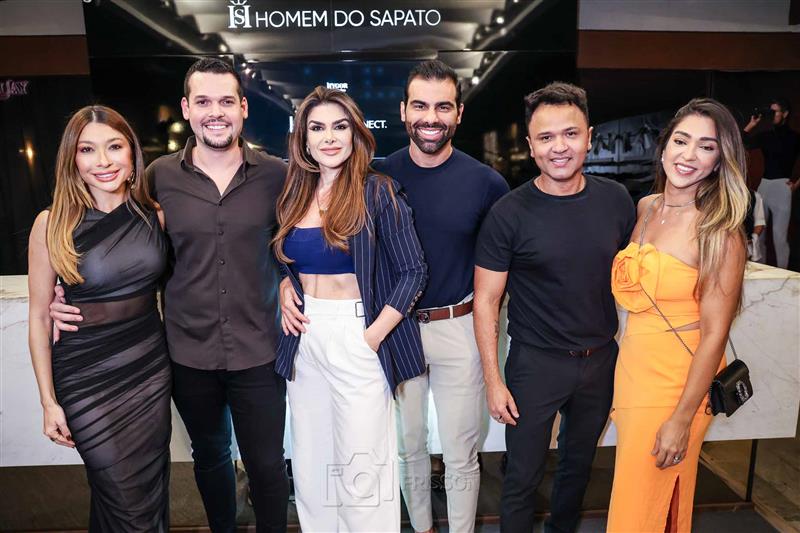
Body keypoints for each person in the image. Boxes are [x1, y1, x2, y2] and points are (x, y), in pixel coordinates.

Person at [50, 59, 290, 533]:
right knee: (210, 456)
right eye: (203, 101)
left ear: (243, 108)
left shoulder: (277, 175)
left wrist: (287, 280)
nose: (215, 111)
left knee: (266, 464)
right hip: (186, 353)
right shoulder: (157, 177)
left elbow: (297, 243)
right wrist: (71, 291)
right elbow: (110, 233)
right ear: (186, 108)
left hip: (260, 348)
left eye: (226, 101)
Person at [473, 82, 636, 533]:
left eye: (570, 134)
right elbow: (486, 301)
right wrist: (493, 381)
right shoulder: (508, 213)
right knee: (521, 478)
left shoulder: (616, 200)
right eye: (546, 137)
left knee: (577, 471)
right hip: (535, 364)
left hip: (600, 361)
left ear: (589, 137)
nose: (559, 147)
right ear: (530, 145)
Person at [272, 86, 427, 532]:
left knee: (363, 470)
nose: (329, 137)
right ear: (303, 139)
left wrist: (373, 335)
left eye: (339, 127)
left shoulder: (377, 191)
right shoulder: (294, 193)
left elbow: (414, 271)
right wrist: (284, 283)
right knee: (311, 466)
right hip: (304, 338)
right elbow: (284, 258)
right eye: (317, 128)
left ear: (355, 133)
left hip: (358, 333)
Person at [607, 98, 748, 532]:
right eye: (681, 141)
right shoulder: (646, 208)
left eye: (706, 147)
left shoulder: (719, 231)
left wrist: (682, 419)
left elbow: (715, 334)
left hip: (676, 385)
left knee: (637, 511)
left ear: (719, 160)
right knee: (650, 502)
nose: (689, 155)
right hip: (633, 372)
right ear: (664, 145)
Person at [28, 105, 171, 531]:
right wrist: (48, 402)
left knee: (146, 493)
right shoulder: (51, 224)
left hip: (149, 370)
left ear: (132, 154)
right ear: (72, 159)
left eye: (114, 147)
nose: (103, 161)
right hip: (85, 377)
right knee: (124, 499)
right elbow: (39, 317)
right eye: (87, 150)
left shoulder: (155, 215)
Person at [743, 97, 800, 268]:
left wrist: (796, 185)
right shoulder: (766, 136)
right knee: (758, 235)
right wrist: (752, 124)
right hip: (764, 185)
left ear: (785, 114)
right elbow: (741, 141)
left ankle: (783, 275)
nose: (772, 115)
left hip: (782, 186)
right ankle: (762, 273)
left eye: (774, 111)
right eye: (771, 111)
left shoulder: (795, 137)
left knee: (779, 237)